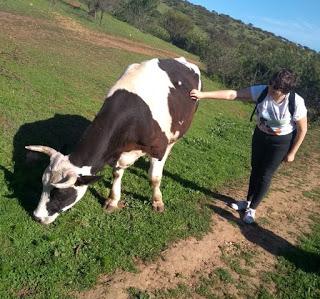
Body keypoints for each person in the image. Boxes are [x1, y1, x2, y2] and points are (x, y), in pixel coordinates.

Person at [190, 69, 308, 224]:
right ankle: (247, 202)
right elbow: (233, 94)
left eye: (275, 90)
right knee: (255, 168)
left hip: (280, 142)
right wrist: (202, 95)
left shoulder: (295, 103)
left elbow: (302, 129)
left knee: (266, 174)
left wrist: (293, 152)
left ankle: (252, 209)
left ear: (285, 92)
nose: (271, 91)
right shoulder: (262, 91)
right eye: (270, 86)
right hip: (260, 136)